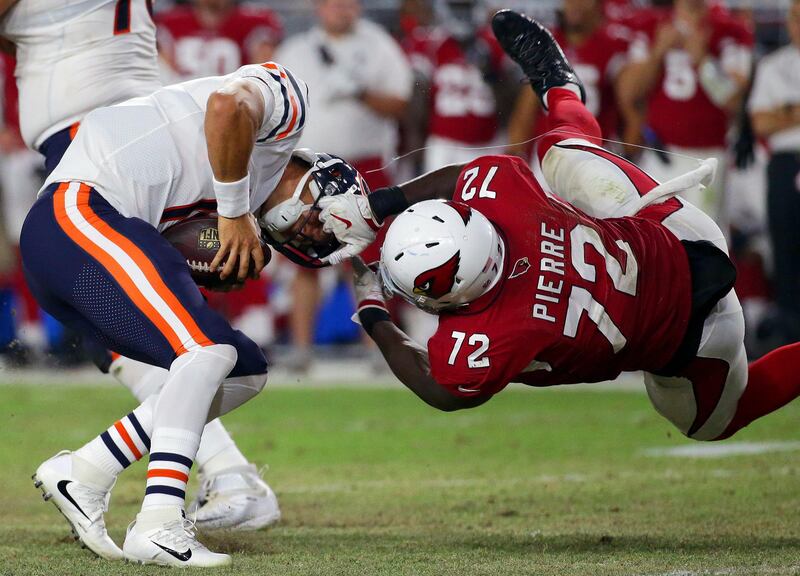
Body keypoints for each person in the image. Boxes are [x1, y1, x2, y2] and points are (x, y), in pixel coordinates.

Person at [321, 11, 800, 441]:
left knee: (720, 420)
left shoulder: (492, 335)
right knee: (560, 151)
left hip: (691, 344)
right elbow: (460, 177)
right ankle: (560, 88)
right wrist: (381, 202)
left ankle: (557, 82)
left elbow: (440, 390)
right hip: (683, 234)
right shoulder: (503, 198)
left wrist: (373, 313)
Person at [22, 59, 364, 566]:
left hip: (84, 244)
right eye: (321, 222)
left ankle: (89, 470)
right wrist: (233, 210)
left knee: (243, 369)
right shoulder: (288, 113)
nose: (309, 231)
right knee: (206, 351)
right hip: (76, 215)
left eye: (313, 241)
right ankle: (159, 522)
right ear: (318, 175)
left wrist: (218, 236)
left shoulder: (231, 206)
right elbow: (227, 106)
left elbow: (161, 243)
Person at [1, 0, 283, 532]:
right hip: (111, 120)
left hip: (87, 134)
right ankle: (226, 471)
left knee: (158, 334)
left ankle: (224, 475)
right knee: (139, 332)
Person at [274, 0, 412, 371]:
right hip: (310, 166)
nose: (342, 9)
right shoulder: (296, 51)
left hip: (364, 165)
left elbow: (401, 103)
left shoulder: (379, 44)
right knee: (304, 259)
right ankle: (301, 350)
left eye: (349, 2)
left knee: (368, 259)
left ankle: (377, 349)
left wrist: (360, 92)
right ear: (319, 7)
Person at [619, 0, 753, 226]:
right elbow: (630, 93)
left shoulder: (730, 30)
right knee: (652, 237)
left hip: (707, 158)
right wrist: (657, 53)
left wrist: (702, 60)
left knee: (704, 241)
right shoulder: (651, 25)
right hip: (660, 154)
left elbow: (734, 100)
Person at [506, 0, 634, 160]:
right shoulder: (546, 43)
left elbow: (632, 107)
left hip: (597, 154)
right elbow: (525, 112)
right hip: (551, 152)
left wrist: (630, 153)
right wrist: (514, 154)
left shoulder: (612, 45)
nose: (575, 5)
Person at [749, 0, 800, 346]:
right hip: (786, 163)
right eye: (795, 16)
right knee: (787, 250)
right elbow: (761, 122)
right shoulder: (774, 65)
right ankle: (792, 337)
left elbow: (774, 117)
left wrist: (788, 111)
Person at [156, 0, 283, 80]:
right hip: (181, 101)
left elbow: (262, 73)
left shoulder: (255, 21)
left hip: (234, 101)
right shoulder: (169, 20)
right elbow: (164, 74)